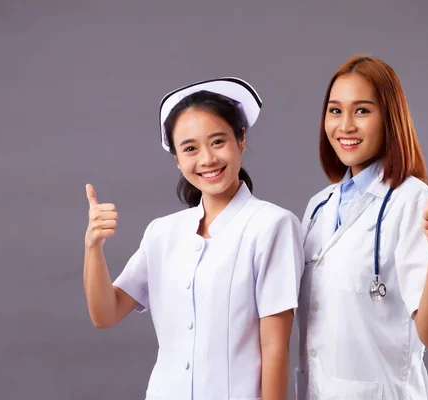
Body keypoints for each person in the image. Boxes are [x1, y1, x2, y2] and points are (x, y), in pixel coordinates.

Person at [83, 77, 304, 400]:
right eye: (190, 148)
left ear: (241, 139)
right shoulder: (162, 232)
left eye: (218, 142)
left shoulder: (273, 226)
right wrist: (93, 247)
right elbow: (105, 314)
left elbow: (275, 348)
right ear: (177, 159)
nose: (207, 159)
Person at [294, 56, 428, 400]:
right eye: (335, 110)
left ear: (389, 117)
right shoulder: (318, 206)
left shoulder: (412, 201)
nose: (345, 125)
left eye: (361, 110)